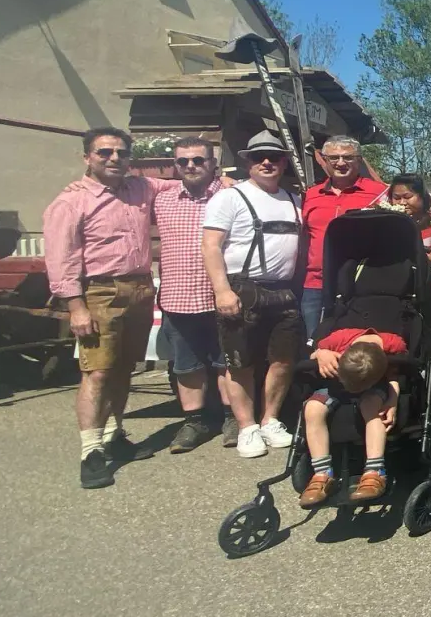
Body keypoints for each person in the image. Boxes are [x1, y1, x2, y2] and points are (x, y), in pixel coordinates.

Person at [44, 127, 161, 487]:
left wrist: (222, 179)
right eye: (104, 153)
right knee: (96, 372)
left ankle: (114, 435)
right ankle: (90, 452)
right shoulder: (70, 202)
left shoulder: (140, 187)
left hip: (139, 289)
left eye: (121, 153)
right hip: (99, 293)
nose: (114, 159)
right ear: (87, 158)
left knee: (125, 368)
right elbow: (60, 259)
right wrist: (76, 308)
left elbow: (181, 184)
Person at [202, 131, 305, 459]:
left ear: (284, 162)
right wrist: (222, 290)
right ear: (248, 162)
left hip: (283, 290)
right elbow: (210, 246)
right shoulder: (229, 198)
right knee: (241, 362)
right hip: (241, 289)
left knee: (283, 359)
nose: (267, 162)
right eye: (259, 156)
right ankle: (246, 427)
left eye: (274, 157)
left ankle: (270, 420)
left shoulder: (294, 199)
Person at [153, 137, 236, 454]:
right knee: (186, 366)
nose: (190, 166)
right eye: (183, 161)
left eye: (198, 160)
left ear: (213, 164)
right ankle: (195, 421)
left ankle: (231, 417)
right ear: (174, 165)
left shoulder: (231, 195)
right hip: (178, 296)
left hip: (221, 294)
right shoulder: (163, 198)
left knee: (226, 362)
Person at [299, 323, 409, 508]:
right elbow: (313, 352)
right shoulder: (339, 338)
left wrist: (392, 399)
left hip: (374, 387)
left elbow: (401, 371)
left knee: (372, 407)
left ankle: (375, 471)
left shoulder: (393, 343)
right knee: (312, 408)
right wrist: (320, 353)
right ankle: (322, 473)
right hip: (336, 383)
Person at [299, 136, 386, 340]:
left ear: (359, 161)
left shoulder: (379, 194)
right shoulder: (311, 195)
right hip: (315, 285)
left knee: (355, 344)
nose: (340, 163)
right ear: (325, 161)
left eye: (348, 157)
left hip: (360, 284)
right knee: (314, 344)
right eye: (334, 158)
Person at [387, 174, 431, 249]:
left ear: (422, 197)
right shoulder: (386, 225)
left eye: (407, 197)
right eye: (397, 198)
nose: (402, 202)